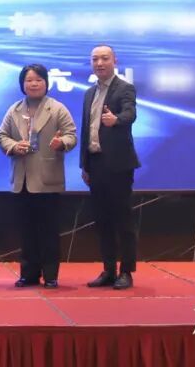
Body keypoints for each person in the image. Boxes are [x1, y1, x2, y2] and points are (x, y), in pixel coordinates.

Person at [0, 64, 77, 288]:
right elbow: (2, 135)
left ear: (46, 83)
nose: (33, 84)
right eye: (29, 80)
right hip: (21, 179)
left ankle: (51, 275)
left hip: (47, 178)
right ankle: (28, 274)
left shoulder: (57, 108)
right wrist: (14, 146)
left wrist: (61, 142)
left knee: (49, 230)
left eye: (38, 80)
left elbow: (72, 135)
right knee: (27, 230)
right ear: (22, 84)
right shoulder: (14, 109)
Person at [79, 45, 139, 290]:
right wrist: (85, 165)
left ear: (115, 61)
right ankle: (108, 270)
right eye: (95, 59)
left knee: (123, 220)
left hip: (118, 165)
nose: (99, 63)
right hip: (96, 164)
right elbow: (86, 131)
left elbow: (130, 113)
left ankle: (126, 271)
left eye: (105, 58)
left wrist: (117, 120)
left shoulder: (124, 88)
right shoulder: (89, 93)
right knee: (102, 220)